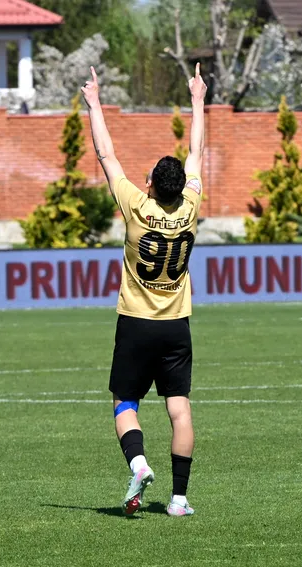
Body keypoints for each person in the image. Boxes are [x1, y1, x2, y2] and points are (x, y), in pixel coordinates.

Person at [82, 63, 206, 517]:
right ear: (183, 186)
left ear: (150, 184)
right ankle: (179, 499)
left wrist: (94, 102)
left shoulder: (135, 204)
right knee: (180, 408)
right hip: (176, 325)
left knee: (124, 402)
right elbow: (197, 151)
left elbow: (105, 153)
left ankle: (138, 464)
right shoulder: (191, 205)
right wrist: (197, 100)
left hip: (136, 322)